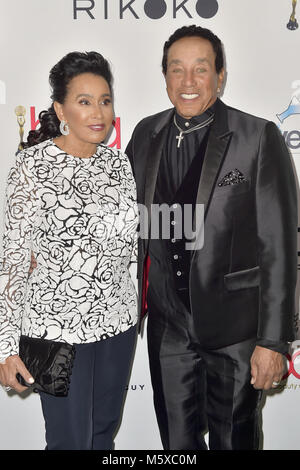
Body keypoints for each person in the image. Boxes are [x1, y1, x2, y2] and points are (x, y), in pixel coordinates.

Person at [126, 25, 298, 450]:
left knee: (234, 441)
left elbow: (280, 246)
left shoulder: (256, 137)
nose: (188, 82)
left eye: (200, 69)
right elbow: (115, 217)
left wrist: (273, 341)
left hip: (237, 330)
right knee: (177, 446)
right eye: (176, 69)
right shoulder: (145, 135)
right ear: (164, 76)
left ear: (220, 75)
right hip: (168, 326)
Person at [0, 51, 138, 450]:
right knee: (69, 442)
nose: (98, 112)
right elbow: (12, 261)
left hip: (117, 325)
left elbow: (127, 246)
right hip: (56, 332)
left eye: (105, 100)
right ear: (60, 108)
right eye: (84, 101)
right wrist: (7, 347)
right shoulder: (31, 166)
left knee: (101, 437)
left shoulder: (119, 165)